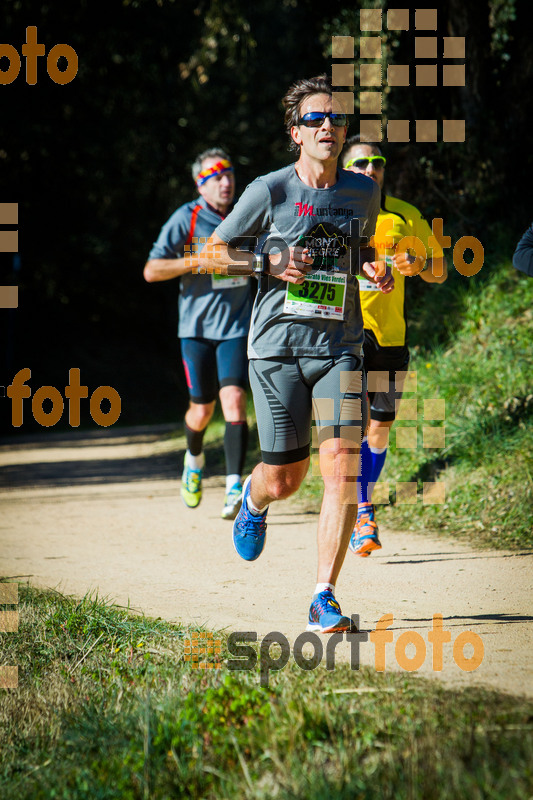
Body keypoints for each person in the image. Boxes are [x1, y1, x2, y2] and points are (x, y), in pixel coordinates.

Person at [195, 74, 416, 634]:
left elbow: (357, 245)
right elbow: (214, 252)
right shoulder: (269, 191)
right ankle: (254, 496)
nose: (329, 127)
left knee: (340, 466)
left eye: (337, 119)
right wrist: (264, 263)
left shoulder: (361, 192)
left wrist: (368, 264)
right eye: (316, 119)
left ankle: (324, 595)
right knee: (286, 477)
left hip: (339, 347)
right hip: (275, 351)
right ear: (295, 132)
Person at [342, 136, 447, 556]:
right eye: (361, 162)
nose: (370, 168)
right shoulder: (331, 213)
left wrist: (418, 264)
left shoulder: (404, 215)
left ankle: (361, 499)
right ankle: (362, 511)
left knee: (380, 431)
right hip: (345, 336)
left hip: (390, 337)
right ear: (345, 168)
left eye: (377, 162)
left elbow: (439, 269)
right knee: (355, 426)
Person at [144, 149, 252, 520]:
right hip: (196, 331)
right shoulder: (185, 219)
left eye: (229, 173)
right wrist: (196, 260)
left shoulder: (246, 213)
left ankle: (235, 486)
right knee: (201, 410)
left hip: (237, 327)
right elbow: (151, 270)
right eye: (215, 175)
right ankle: (194, 458)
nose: (225, 181)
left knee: (235, 400)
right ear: (199, 183)